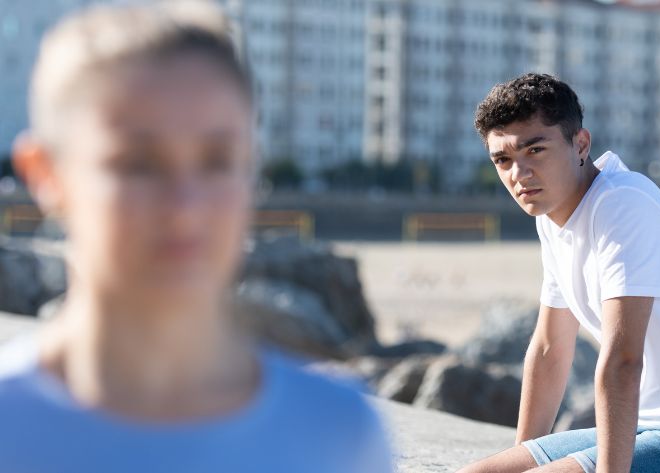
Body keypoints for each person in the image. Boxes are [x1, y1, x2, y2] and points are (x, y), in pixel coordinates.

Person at [0, 2, 393, 472]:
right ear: (44, 172)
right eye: (138, 164)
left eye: (217, 161)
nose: (185, 207)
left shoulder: (339, 433)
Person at [459, 73, 660, 473]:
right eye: (503, 160)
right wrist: (524, 457)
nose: (519, 174)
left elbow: (623, 361)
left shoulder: (623, 204)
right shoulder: (553, 218)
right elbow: (550, 348)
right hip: (648, 430)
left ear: (580, 144)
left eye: (535, 150)